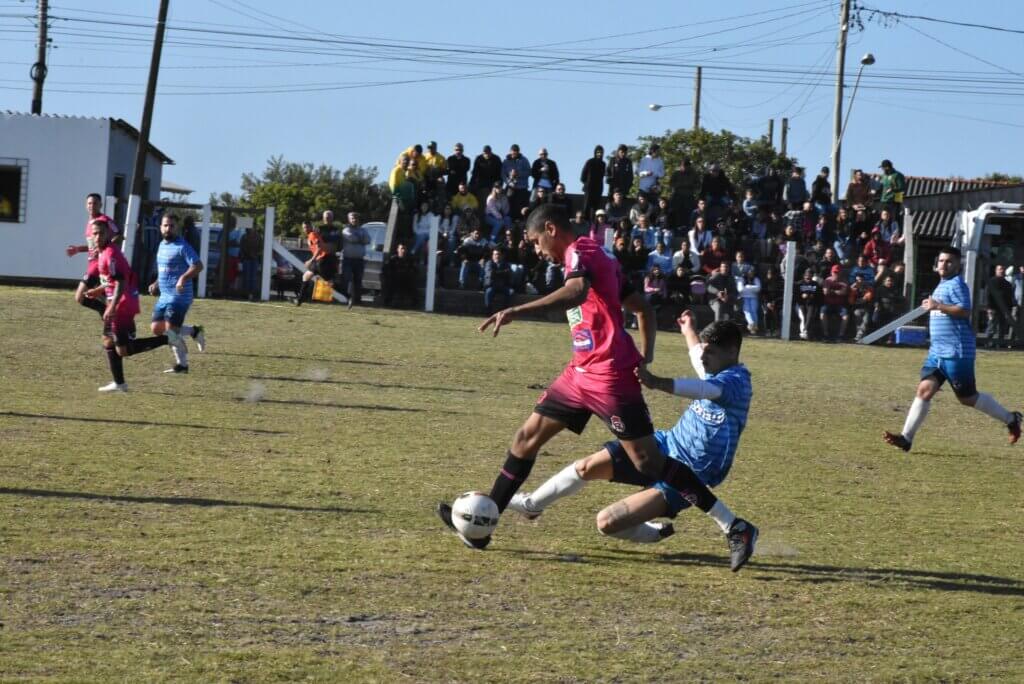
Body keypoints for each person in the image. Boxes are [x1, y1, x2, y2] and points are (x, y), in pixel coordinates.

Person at [436, 204, 758, 568]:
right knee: (525, 439)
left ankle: (734, 526)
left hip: (610, 378)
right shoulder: (598, 258)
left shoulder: (582, 253)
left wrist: (517, 311)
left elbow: (576, 292)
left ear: (551, 229)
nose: (536, 250)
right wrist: (646, 355)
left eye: (536, 241)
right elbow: (642, 309)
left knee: (650, 462)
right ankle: (484, 524)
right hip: (579, 374)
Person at [506, 316, 758, 571]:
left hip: (693, 470)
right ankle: (532, 505)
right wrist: (688, 330)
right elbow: (697, 356)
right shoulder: (717, 367)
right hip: (665, 446)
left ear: (731, 352)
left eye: (711, 353)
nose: (704, 359)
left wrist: (658, 382)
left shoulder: (736, 381)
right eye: (705, 352)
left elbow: (704, 390)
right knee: (586, 467)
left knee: (606, 523)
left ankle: (657, 532)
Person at [884, 247, 1022, 452]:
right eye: (941, 261)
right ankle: (906, 438)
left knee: (967, 398)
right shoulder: (942, 285)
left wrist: (938, 306)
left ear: (958, 265)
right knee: (924, 390)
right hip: (937, 352)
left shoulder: (957, 284)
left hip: (956, 352)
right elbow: (940, 308)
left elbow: (964, 310)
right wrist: (933, 305)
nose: (944, 264)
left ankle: (1011, 419)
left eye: (949, 261)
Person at [83, 219, 172, 392]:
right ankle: (119, 383)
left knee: (123, 350)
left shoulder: (110, 254)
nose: (98, 236)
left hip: (122, 304)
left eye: (101, 233)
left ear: (108, 234)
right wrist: (98, 291)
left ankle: (168, 339)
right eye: (95, 233)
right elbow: (111, 281)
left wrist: (111, 306)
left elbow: (120, 283)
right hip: (118, 301)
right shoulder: (102, 253)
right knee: (108, 341)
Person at [148, 214, 207, 373]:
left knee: (170, 331)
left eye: (172, 225)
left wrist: (183, 278)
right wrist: (156, 283)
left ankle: (182, 365)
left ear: (177, 227)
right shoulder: (161, 245)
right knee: (156, 329)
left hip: (180, 296)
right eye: (165, 225)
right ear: (160, 227)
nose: (168, 228)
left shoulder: (182, 246)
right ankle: (194, 331)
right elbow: (164, 271)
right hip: (165, 295)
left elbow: (198, 265)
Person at [66, 192, 122, 319]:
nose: (92, 205)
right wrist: (78, 249)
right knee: (98, 296)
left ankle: (108, 316)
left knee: (80, 296)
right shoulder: (90, 223)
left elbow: (119, 235)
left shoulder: (104, 220)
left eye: (95, 203)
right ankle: (110, 317)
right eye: (89, 203)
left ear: (100, 205)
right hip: (91, 264)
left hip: (99, 264)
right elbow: (93, 246)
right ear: (86, 205)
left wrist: (105, 249)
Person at [295, 221, 339, 307]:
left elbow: (319, 248)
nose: (306, 229)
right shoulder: (311, 235)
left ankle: (348, 295)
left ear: (311, 227)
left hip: (322, 260)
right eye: (304, 227)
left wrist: (311, 260)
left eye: (307, 227)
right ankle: (300, 299)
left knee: (328, 281)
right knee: (306, 276)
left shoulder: (312, 235)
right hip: (320, 260)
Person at [340, 211, 371, 309]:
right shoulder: (345, 230)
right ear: (349, 219)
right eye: (352, 218)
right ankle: (346, 298)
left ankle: (358, 300)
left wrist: (359, 239)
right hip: (348, 259)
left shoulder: (363, 230)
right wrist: (361, 239)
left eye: (356, 218)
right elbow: (352, 239)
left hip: (359, 260)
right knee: (347, 279)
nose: (354, 220)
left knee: (358, 280)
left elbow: (368, 240)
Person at [819, 264, 850, 341]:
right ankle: (825, 335)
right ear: (831, 272)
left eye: (837, 272)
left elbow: (843, 292)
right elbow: (825, 292)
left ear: (840, 273)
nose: (836, 274)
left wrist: (831, 291)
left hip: (840, 305)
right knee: (822, 314)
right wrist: (836, 291)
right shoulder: (827, 280)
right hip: (828, 304)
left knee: (845, 317)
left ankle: (840, 336)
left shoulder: (844, 281)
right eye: (834, 272)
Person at [382, 242, 418, 308]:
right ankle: (387, 303)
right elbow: (386, 269)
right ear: (397, 249)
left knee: (412, 287)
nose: (403, 250)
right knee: (390, 286)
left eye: (404, 249)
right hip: (395, 279)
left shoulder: (410, 259)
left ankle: (414, 304)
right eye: (401, 249)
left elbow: (415, 269)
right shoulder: (393, 259)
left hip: (406, 279)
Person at [483, 248, 514, 314]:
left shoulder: (506, 264)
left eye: (499, 254)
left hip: (503, 285)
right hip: (492, 285)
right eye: (495, 254)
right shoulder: (489, 263)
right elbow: (490, 274)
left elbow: (509, 273)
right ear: (492, 256)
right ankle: (488, 311)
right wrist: (503, 272)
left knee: (511, 292)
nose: (497, 256)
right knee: (489, 292)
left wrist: (496, 273)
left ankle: (504, 311)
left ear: (502, 256)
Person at [579, 145, 606, 219]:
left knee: (596, 209)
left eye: (601, 152)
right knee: (586, 208)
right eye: (598, 152)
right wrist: (587, 184)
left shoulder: (603, 164)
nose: (599, 154)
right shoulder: (589, 162)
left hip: (598, 189)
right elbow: (582, 177)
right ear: (595, 153)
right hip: (589, 189)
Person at [795, 268, 821, 340]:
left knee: (810, 316)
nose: (808, 277)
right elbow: (795, 296)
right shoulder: (799, 284)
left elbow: (819, 296)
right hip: (801, 304)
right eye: (806, 275)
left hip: (811, 304)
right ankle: (804, 333)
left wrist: (812, 296)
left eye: (809, 275)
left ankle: (805, 332)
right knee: (803, 317)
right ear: (804, 275)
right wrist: (801, 296)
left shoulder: (815, 284)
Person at [239, 223, 262, 301]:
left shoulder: (259, 237)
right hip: (246, 258)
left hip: (255, 259)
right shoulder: (244, 236)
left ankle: (252, 294)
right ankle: (245, 293)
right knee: (246, 276)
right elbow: (241, 248)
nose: (251, 228)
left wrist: (256, 254)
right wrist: (247, 254)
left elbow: (261, 248)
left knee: (253, 277)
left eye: (253, 227)